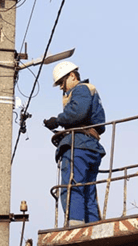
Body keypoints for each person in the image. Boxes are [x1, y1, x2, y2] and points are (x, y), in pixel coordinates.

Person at [43, 61, 106, 226]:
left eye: (61, 83)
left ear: (72, 76)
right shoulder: (89, 91)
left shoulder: (80, 89)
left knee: (73, 185)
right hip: (91, 145)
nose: (61, 88)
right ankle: (93, 226)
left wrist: (57, 121)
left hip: (79, 145)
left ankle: (76, 225)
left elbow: (77, 113)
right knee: (88, 189)